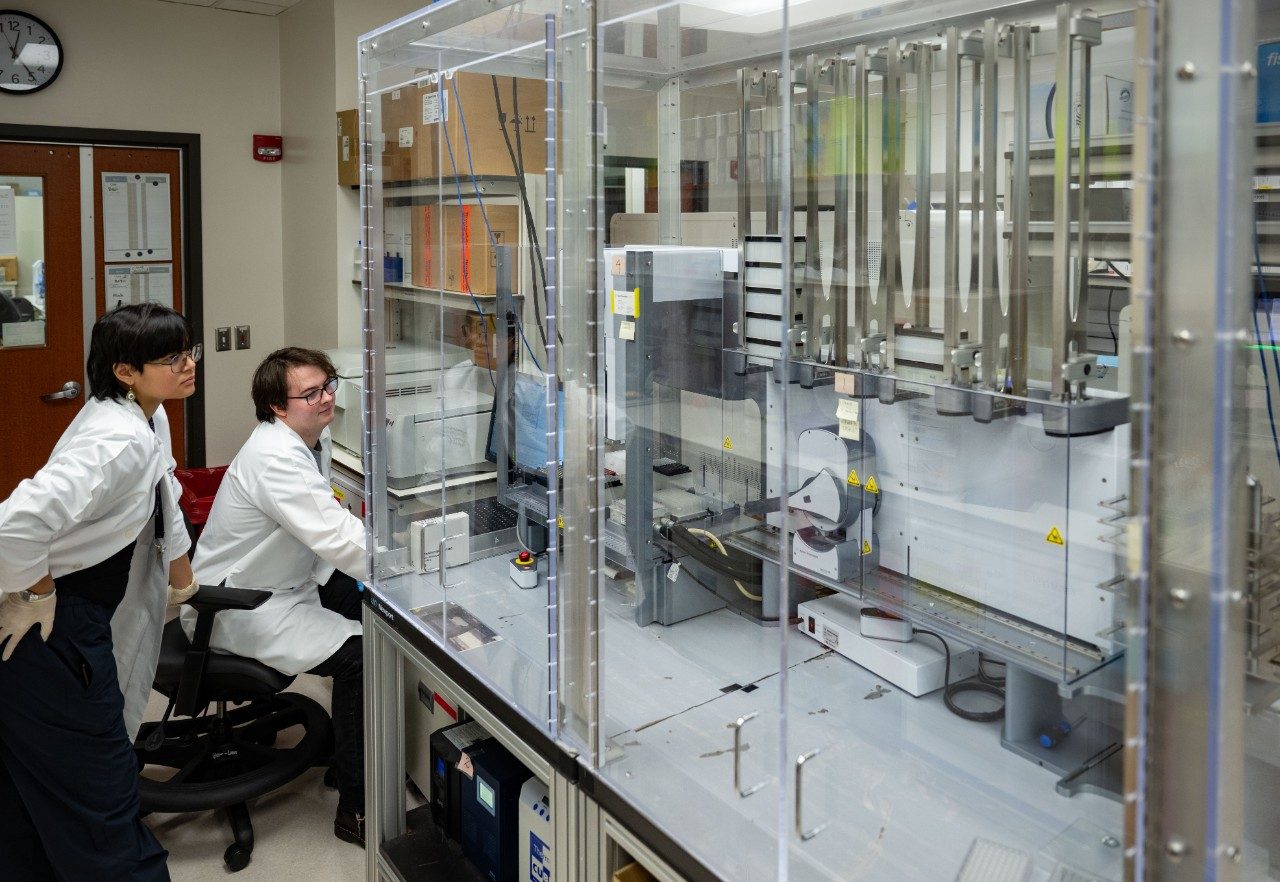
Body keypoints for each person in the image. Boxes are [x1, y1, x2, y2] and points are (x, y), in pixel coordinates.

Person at [0, 302, 200, 881]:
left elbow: (164, 493)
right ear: (124, 370)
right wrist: (36, 593)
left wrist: (180, 580)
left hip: (75, 618)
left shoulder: (146, 414)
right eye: (171, 358)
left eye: (189, 351)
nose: (188, 365)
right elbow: (15, 523)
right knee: (101, 795)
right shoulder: (116, 441)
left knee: (33, 788)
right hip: (51, 633)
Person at [186, 347, 367, 846]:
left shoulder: (307, 438)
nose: (326, 398)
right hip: (239, 605)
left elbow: (325, 530)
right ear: (277, 407)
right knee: (362, 656)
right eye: (310, 394)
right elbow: (336, 536)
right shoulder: (274, 457)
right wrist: (406, 565)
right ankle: (357, 806)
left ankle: (350, 744)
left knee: (372, 611)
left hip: (287, 580)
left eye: (328, 385)